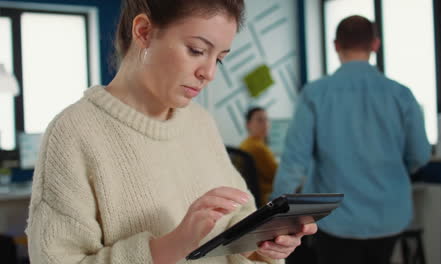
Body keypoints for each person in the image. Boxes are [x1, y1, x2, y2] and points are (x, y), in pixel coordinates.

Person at [25, 1, 317, 263]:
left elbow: (237, 221)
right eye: (197, 50)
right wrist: (170, 246)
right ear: (143, 32)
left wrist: (262, 246)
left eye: (219, 58)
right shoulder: (73, 132)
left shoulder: (200, 122)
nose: (209, 73)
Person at [270, 15, 431, 264]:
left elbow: (294, 161)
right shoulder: (401, 94)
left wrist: (273, 216)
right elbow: (420, 154)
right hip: (389, 216)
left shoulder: (315, 93)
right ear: (375, 45)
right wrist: (394, 173)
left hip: (334, 219)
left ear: (336, 45)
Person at [239, 107, 278, 206]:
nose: (265, 124)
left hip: (254, 201)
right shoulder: (258, 148)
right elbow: (279, 176)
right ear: (248, 125)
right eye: (260, 120)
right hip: (269, 201)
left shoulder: (245, 144)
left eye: (266, 120)